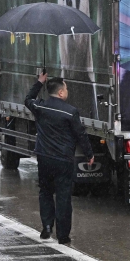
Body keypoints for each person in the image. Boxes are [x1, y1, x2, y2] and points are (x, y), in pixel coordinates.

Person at [25, 72, 94, 245]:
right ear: (61, 93)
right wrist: (89, 154)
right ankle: (63, 235)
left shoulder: (41, 107)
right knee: (63, 196)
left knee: (45, 191)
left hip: (44, 158)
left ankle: (47, 226)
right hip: (63, 160)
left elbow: (27, 99)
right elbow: (81, 135)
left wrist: (39, 83)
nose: (67, 91)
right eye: (67, 88)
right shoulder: (71, 112)